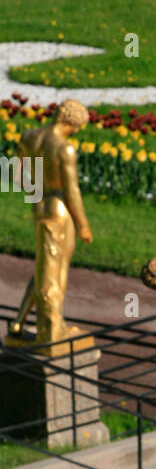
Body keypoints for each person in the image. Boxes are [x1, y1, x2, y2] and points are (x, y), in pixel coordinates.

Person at [7, 99, 92, 346]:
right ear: (72, 121)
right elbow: (72, 190)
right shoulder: (63, 149)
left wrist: (35, 189)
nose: (77, 131)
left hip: (38, 206)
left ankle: (19, 322)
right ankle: (52, 329)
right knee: (57, 271)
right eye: (78, 126)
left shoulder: (29, 136)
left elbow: (15, 173)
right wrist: (83, 224)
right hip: (58, 209)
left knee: (44, 268)